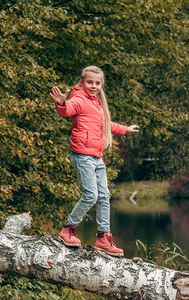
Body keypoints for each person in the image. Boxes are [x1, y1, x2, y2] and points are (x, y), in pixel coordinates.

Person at [50, 66, 139, 257]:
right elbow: (68, 110)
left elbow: (106, 125)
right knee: (90, 195)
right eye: (90, 82)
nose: (94, 86)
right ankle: (68, 229)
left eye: (97, 83)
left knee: (104, 196)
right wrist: (61, 103)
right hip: (83, 156)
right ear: (82, 82)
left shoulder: (97, 104)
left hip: (97, 157)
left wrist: (125, 129)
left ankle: (103, 238)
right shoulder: (80, 100)